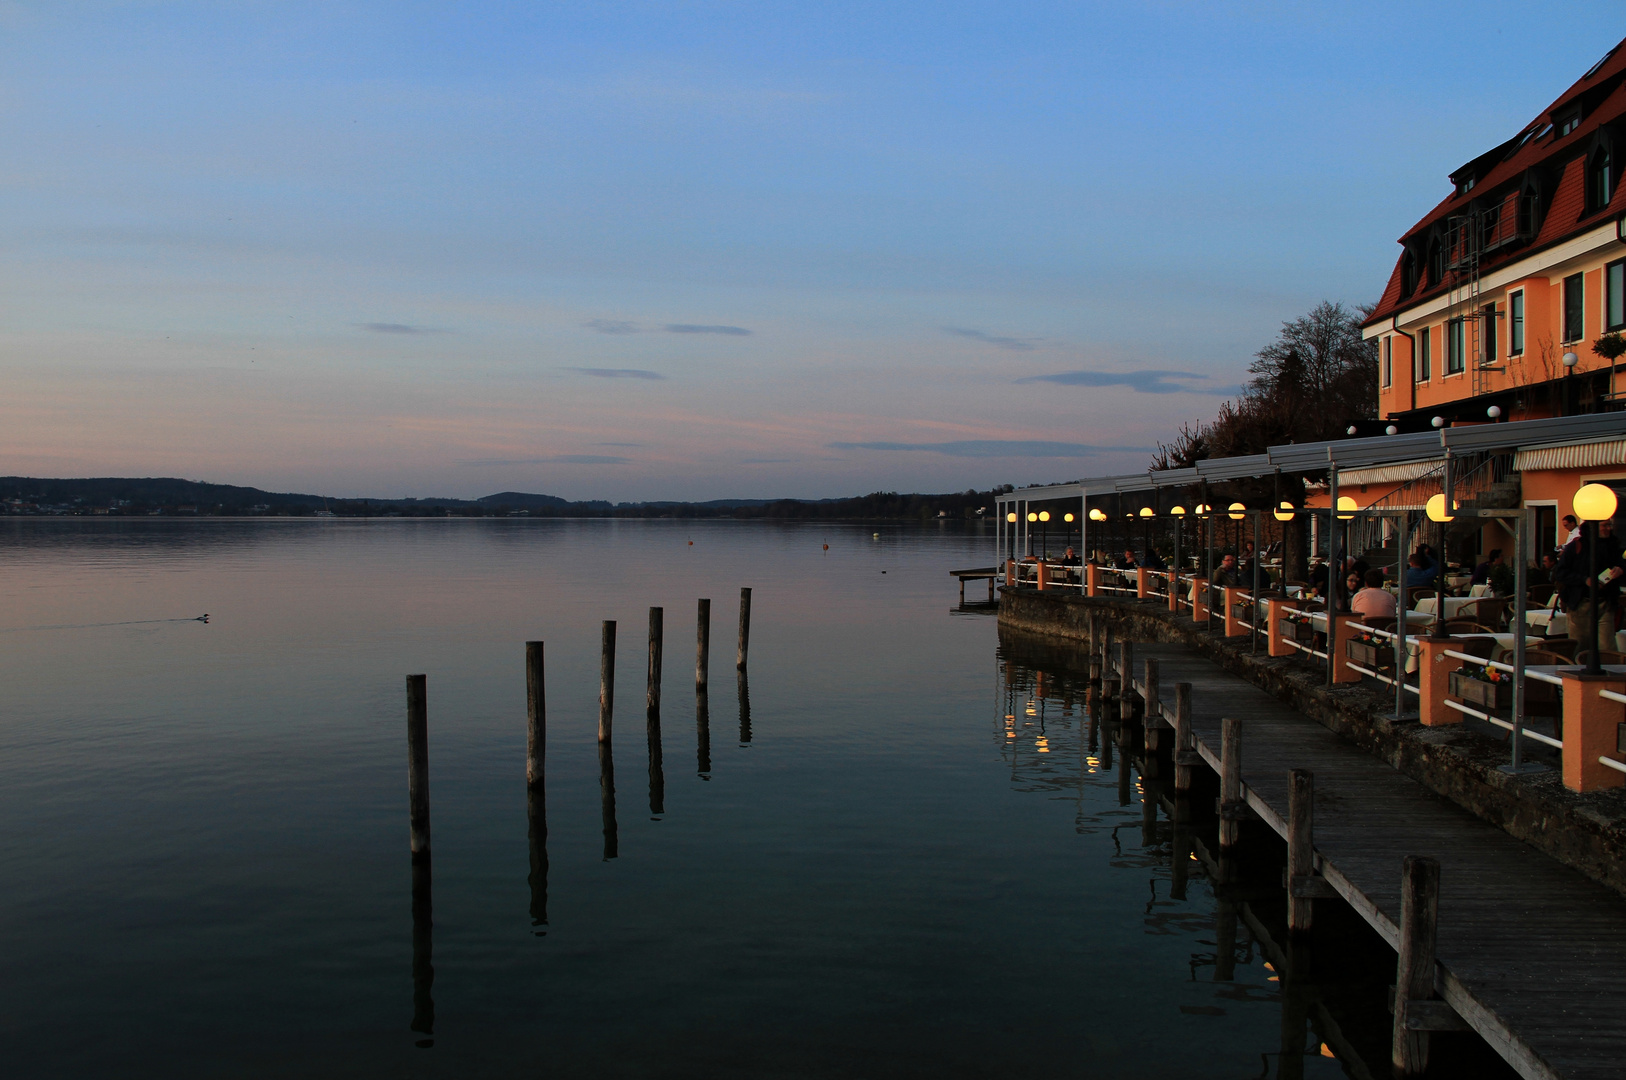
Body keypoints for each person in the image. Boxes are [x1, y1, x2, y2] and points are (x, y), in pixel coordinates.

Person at [1556, 517, 1626, 649]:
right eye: (1604, 526)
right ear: (1593, 527)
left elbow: (1622, 563)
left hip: (1606, 602)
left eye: (1609, 525)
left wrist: (1621, 569)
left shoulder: (1613, 545)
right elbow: (1560, 573)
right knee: (1580, 646)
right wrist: (1584, 580)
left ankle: (1607, 669)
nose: (1609, 529)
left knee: (1607, 648)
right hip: (1581, 603)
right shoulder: (1576, 547)